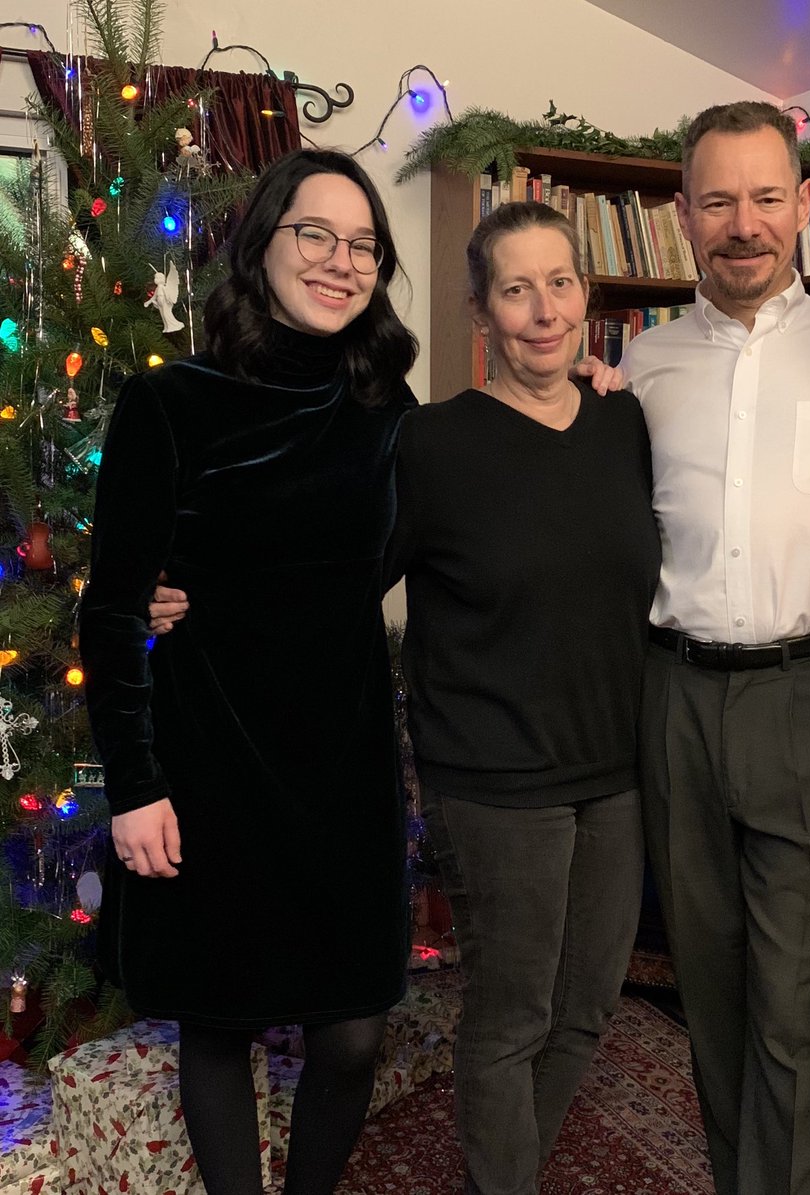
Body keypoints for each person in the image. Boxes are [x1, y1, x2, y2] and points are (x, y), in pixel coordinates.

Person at [79, 148, 418, 1195]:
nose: (340, 261)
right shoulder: (169, 402)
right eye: (315, 234)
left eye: (362, 245)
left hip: (344, 765)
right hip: (210, 758)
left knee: (353, 1032)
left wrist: (591, 389)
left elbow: (416, 536)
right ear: (262, 243)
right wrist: (135, 785)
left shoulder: (387, 402)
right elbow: (111, 608)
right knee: (218, 1021)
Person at [617, 101, 810, 1195]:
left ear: (806, 205)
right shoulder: (640, 364)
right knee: (711, 987)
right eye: (718, 200)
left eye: (767, 197)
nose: (744, 224)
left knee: (796, 1002)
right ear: (683, 214)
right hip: (676, 699)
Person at [391, 200, 660, 1195]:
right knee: (512, 1019)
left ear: (587, 297)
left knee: (586, 1007)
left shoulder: (626, 422)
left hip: (615, 767)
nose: (544, 311)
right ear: (480, 311)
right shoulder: (432, 443)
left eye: (560, 283)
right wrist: (187, 590)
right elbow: (336, 575)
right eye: (516, 290)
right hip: (493, 777)